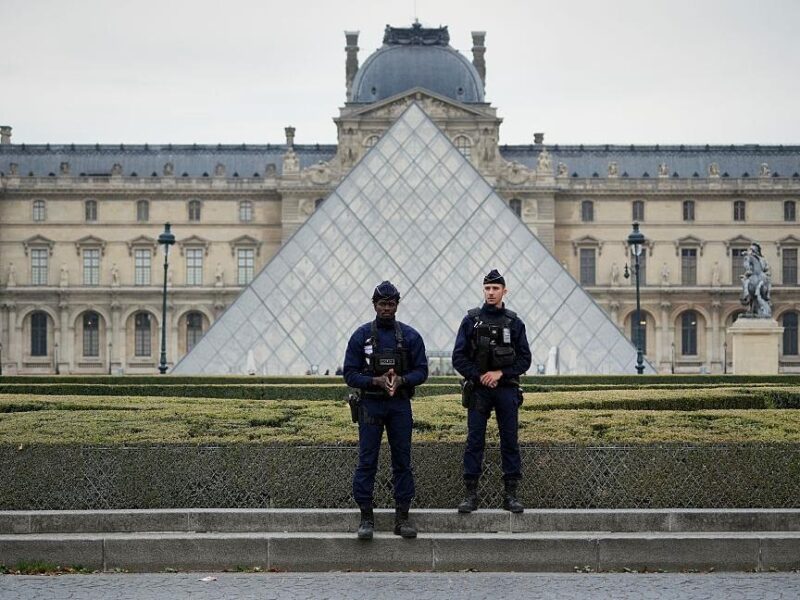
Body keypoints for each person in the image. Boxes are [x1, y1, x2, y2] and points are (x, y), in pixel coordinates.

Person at [343, 281, 428, 540]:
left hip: (399, 404)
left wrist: (401, 380)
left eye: (390, 304)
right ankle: (366, 517)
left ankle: (402, 517)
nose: (386, 309)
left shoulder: (411, 337)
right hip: (370, 403)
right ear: (374, 305)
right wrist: (375, 381)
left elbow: (422, 371)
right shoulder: (360, 336)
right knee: (367, 461)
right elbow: (349, 374)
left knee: (402, 462)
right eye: (382, 304)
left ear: (397, 305)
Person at [452, 269, 532, 514]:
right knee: (474, 441)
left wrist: (500, 374)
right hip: (479, 390)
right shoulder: (470, 321)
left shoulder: (515, 322)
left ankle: (511, 495)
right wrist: (480, 376)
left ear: (504, 291)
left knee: (510, 441)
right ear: (483, 290)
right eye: (487, 288)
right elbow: (459, 358)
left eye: (495, 288)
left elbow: (525, 360)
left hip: (506, 389)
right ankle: (470, 494)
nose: (490, 292)